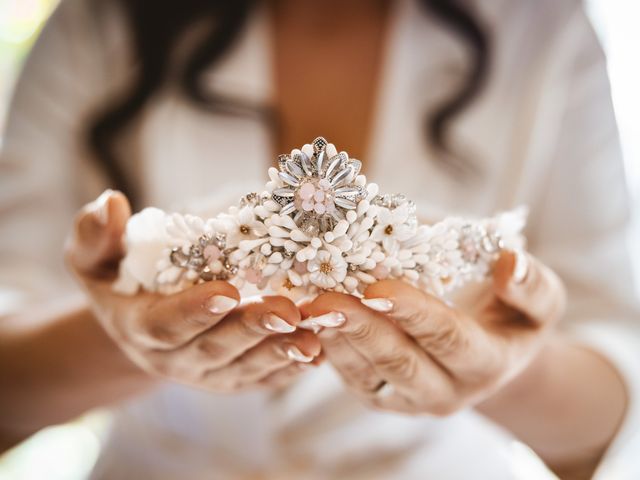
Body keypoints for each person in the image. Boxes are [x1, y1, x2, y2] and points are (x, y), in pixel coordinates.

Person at [1, 0, 638, 478]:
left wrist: (504, 373)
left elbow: (611, 414)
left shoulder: (541, 25)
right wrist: (121, 340)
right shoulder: (98, 19)